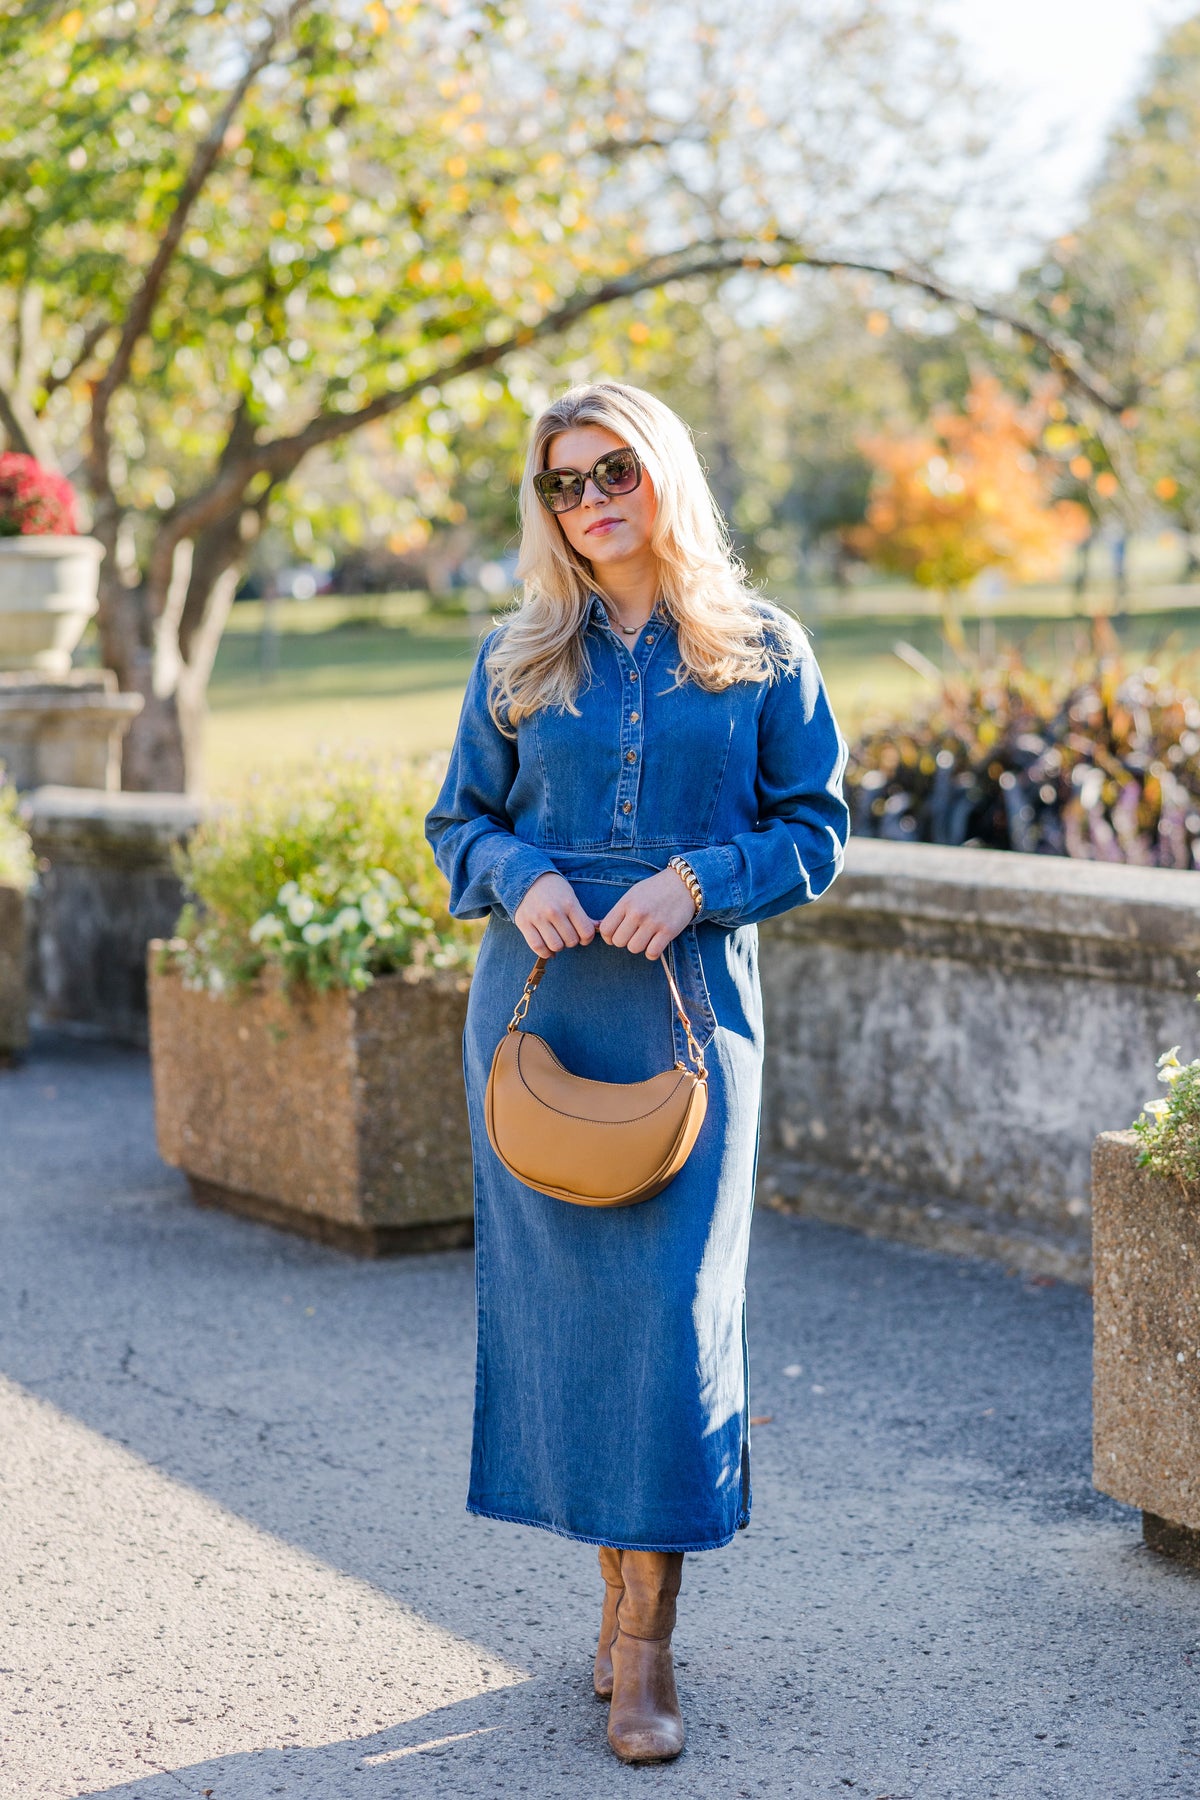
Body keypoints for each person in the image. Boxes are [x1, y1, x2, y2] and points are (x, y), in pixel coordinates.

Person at [425, 379, 849, 1764]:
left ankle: (648, 1647)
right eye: (560, 482)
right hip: (544, 1027)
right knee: (574, 1329)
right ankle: (614, 1615)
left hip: (689, 1020)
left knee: (668, 1323)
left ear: (661, 471)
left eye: (611, 470)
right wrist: (515, 870)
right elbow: (456, 824)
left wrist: (704, 880)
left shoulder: (765, 648)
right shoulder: (515, 652)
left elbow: (817, 830)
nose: (588, 499)